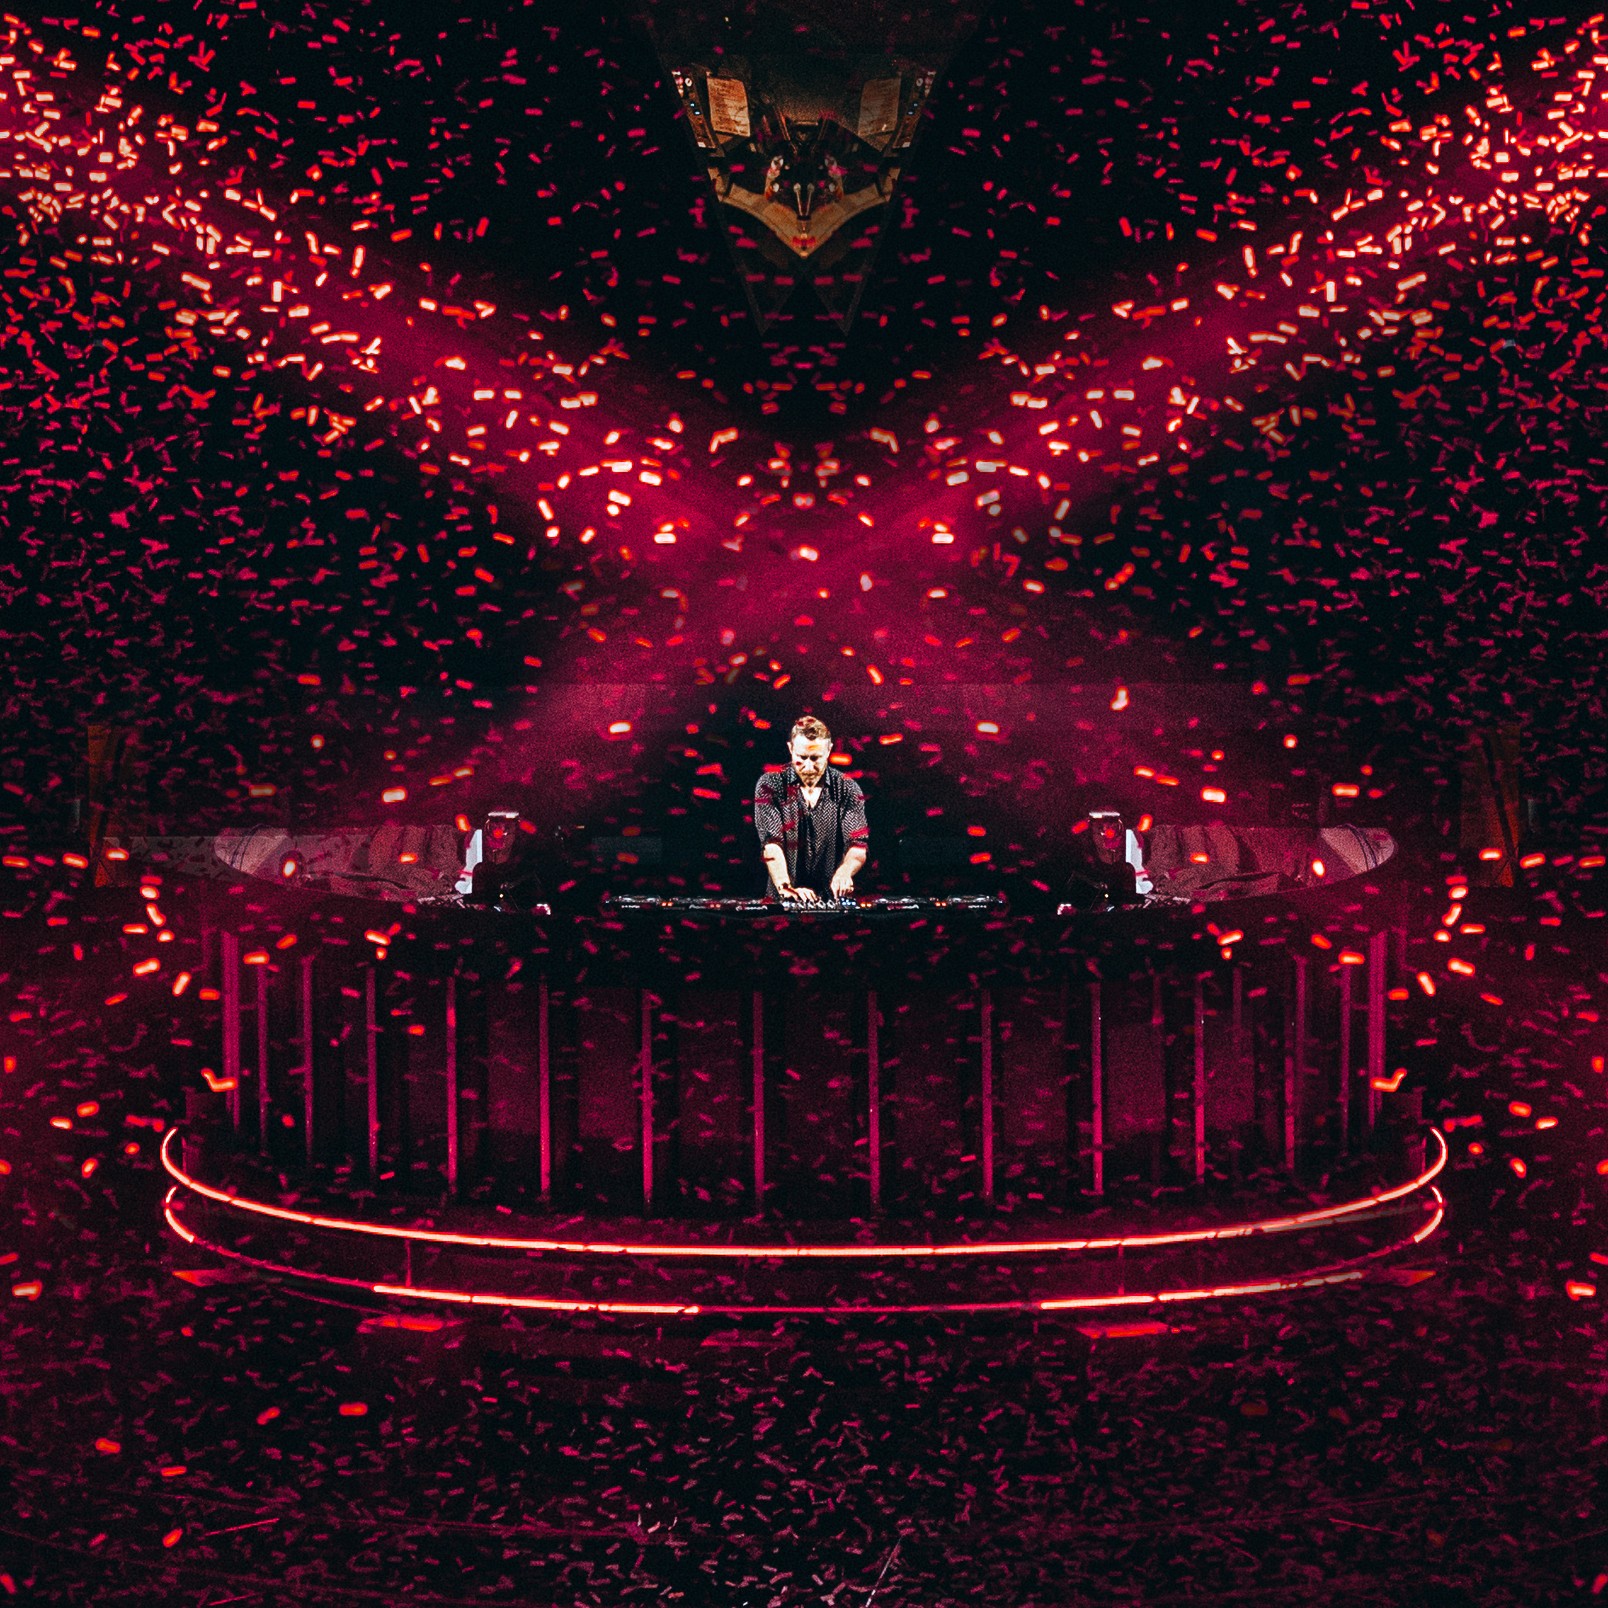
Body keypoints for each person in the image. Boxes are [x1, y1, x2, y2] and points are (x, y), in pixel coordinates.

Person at [752, 716, 869, 903]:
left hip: (832, 902)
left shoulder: (847, 788)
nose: (808, 766)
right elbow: (771, 844)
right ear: (790, 749)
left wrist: (845, 872)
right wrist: (785, 886)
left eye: (815, 758)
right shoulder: (770, 784)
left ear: (829, 750)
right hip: (783, 902)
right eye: (801, 758)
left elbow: (858, 845)